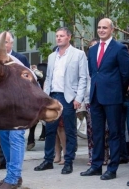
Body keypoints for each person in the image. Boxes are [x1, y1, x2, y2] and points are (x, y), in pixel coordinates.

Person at [80, 18, 129, 180]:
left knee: (115, 133)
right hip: (95, 97)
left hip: (113, 97)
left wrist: (117, 91)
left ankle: (112, 168)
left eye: (105, 27)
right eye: (99, 27)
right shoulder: (93, 50)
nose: (101, 30)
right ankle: (96, 166)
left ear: (112, 30)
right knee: (97, 133)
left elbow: (126, 74)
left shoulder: (119, 48)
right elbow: (92, 72)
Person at [34, 27, 87, 175]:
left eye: (61, 36)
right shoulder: (52, 56)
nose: (58, 38)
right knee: (50, 130)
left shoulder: (78, 54)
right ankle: (48, 160)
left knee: (70, 131)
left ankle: (68, 161)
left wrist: (78, 98)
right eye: (57, 36)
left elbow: (84, 77)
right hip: (52, 96)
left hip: (68, 97)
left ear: (69, 37)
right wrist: (45, 97)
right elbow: (49, 78)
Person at [0, 31, 30, 189]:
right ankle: (13, 175)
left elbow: (29, 83)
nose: (3, 44)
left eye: (6, 41)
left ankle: (13, 178)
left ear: (11, 43)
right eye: (0, 41)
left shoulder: (20, 59)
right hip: (2, 108)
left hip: (18, 107)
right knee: (5, 140)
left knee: (16, 139)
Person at [85, 38, 109, 166]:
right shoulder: (87, 63)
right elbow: (84, 81)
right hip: (90, 99)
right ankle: (92, 157)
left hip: (105, 98)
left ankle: (105, 156)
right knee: (91, 130)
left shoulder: (104, 63)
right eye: (91, 47)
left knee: (105, 130)